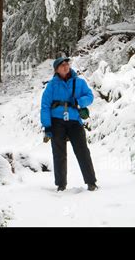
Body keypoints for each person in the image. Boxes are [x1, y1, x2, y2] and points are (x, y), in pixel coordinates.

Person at [40, 57, 98, 192]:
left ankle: (91, 182)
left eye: (67, 64)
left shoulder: (79, 82)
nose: (65, 67)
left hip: (74, 121)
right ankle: (61, 184)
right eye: (62, 65)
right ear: (56, 69)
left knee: (82, 151)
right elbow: (45, 106)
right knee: (59, 153)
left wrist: (80, 101)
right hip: (56, 122)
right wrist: (47, 125)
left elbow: (90, 96)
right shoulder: (51, 85)